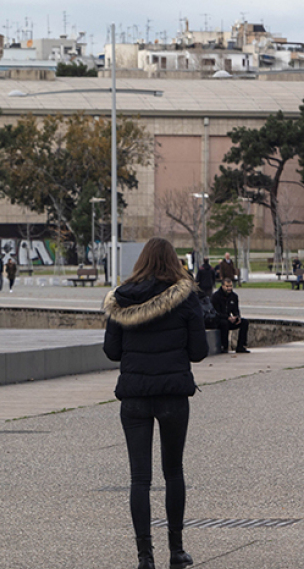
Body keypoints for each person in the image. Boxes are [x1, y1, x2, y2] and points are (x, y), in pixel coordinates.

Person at [102, 237, 207, 569]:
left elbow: (112, 351)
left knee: (139, 478)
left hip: (134, 395)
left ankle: (145, 557)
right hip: (173, 393)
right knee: (173, 471)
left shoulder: (121, 299)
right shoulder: (186, 299)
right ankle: (176, 550)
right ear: (174, 260)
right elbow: (199, 352)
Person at [210, 279, 250, 354]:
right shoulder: (216, 296)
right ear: (222, 286)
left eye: (230, 286)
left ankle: (241, 346)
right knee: (224, 323)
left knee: (244, 322)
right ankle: (224, 346)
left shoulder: (234, 296)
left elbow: (235, 310)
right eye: (227, 286)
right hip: (218, 320)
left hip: (229, 319)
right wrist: (227, 317)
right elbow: (216, 312)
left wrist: (237, 317)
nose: (229, 288)